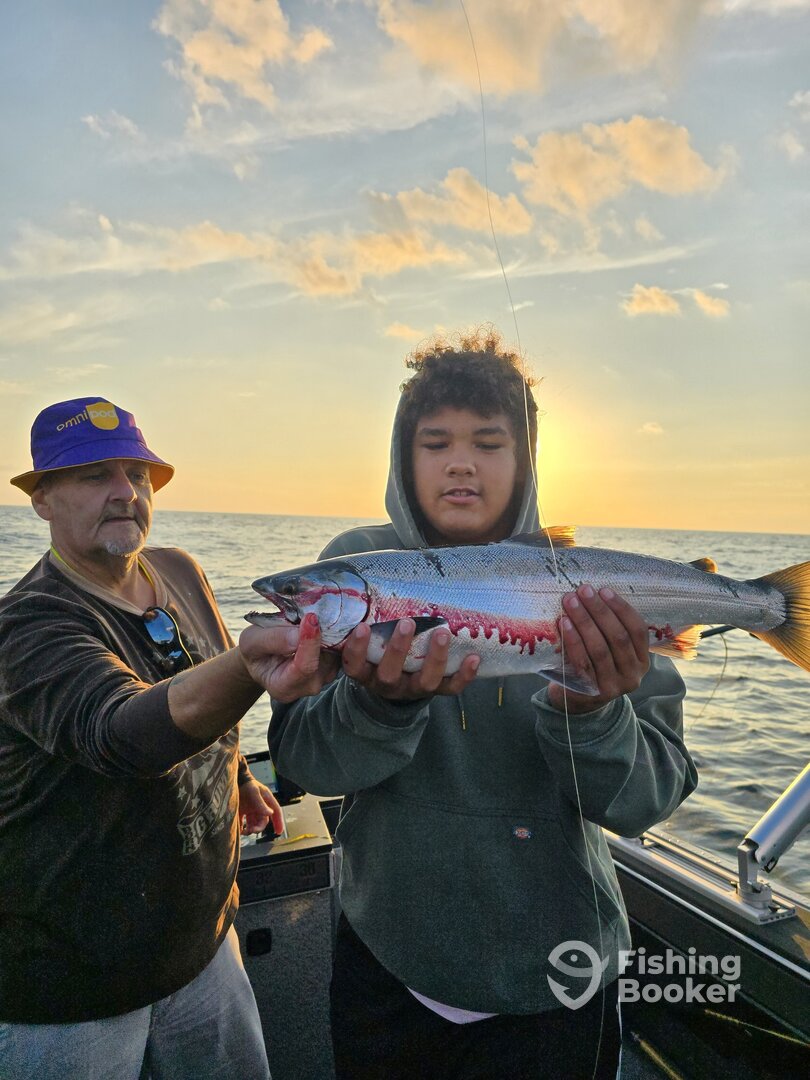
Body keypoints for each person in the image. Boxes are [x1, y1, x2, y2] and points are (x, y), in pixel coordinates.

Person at [268, 330, 698, 1079]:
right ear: (403, 458)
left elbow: (643, 804)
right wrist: (378, 708)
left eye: (489, 443)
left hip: (560, 975)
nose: (460, 462)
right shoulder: (355, 564)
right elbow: (305, 764)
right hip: (388, 959)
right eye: (435, 443)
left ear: (526, 461)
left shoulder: (595, 592)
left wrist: (593, 711)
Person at [0, 397, 335, 1080]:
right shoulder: (27, 624)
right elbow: (122, 735)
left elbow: (203, 691)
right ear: (42, 501)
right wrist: (249, 666)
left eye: (136, 474)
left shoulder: (179, 570)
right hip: (73, 993)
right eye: (93, 475)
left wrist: (240, 776)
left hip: (205, 946)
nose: (125, 491)